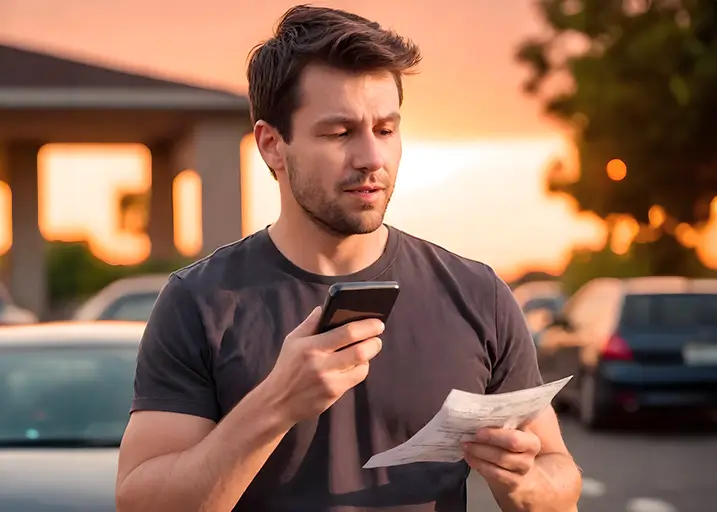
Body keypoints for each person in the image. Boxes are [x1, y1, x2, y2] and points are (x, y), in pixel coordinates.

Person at [115, 5, 582, 512]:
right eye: (340, 133)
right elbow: (142, 503)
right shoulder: (199, 303)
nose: (371, 158)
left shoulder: (477, 294)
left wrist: (524, 484)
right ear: (273, 145)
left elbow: (558, 475)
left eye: (385, 129)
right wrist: (275, 405)